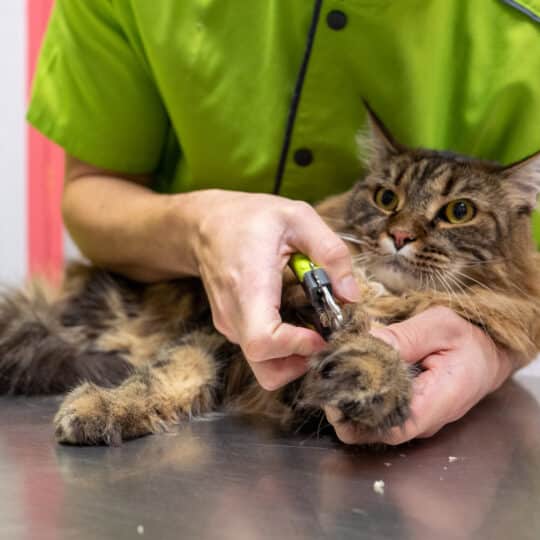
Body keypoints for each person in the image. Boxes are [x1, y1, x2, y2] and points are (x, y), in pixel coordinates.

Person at [28, 0, 540, 444]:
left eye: (457, 212)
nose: (404, 233)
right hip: (156, 296)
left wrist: (496, 350)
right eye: (388, 200)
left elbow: (524, 287)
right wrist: (197, 227)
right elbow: (89, 187)